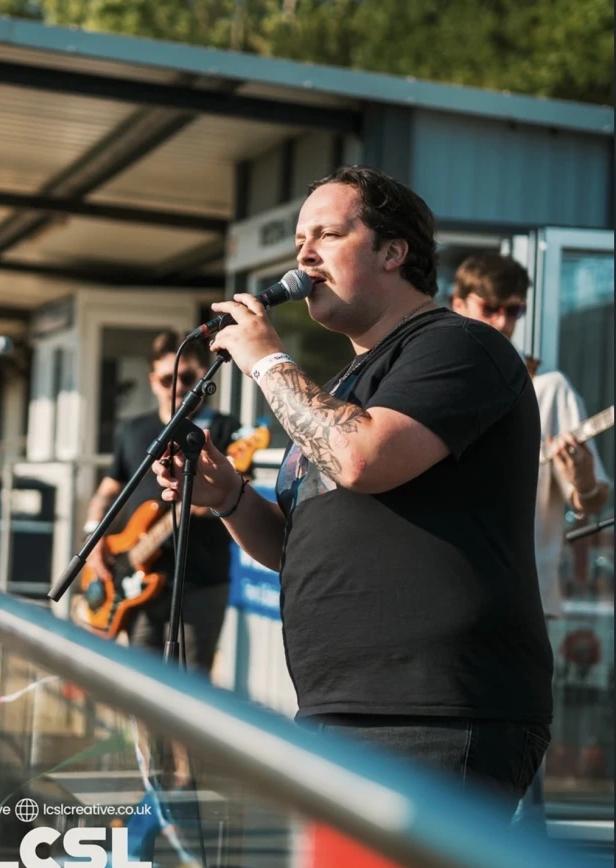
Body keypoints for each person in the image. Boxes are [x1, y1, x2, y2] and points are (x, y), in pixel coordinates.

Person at [154, 165, 553, 818]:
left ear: (393, 251)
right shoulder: (345, 383)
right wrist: (229, 497)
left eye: (328, 235)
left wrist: (268, 360)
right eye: (299, 241)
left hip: (435, 711)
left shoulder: (459, 345)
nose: (305, 256)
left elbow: (360, 458)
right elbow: (296, 546)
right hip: (337, 708)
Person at [452, 252, 610, 830]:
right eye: (490, 307)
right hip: (440, 591)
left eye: (514, 310)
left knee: (515, 757)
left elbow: (590, 501)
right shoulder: (436, 378)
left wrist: (583, 476)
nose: (502, 320)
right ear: (459, 304)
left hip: (520, 596)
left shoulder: (548, 387)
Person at [84, 330, 241, 675]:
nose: (179, 386)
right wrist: (93, 537)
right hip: (133, 577)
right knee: (140, 683)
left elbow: (241, 493)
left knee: (192, 684)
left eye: (187, 377)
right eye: (168, 379)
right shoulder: (132, 430)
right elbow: (107, 492)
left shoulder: (225, 429)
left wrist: (208, 502)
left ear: (203, 377)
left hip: (200, 580)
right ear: (153, 381)